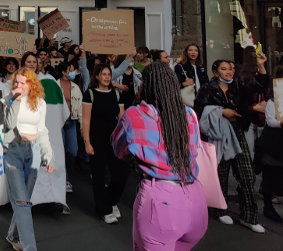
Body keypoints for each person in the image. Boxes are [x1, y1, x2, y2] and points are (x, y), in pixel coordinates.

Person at [112, 62, 207, 250]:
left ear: (144, 86)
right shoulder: (190, 114)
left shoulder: (134, 115)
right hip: (196, 198)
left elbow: (119, 149)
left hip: (160, 202)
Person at [194, 60, 264, 232]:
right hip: (217, 134)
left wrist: (261, 66)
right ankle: (221, 209)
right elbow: (199, 110)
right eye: (224, 69)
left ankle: (249, 217)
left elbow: (260, 85)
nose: (229, 72)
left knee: (247, 173)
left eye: (231, 69)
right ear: (215, 72)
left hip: (238, 131)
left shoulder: (239, 85)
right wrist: (220, 112)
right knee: (221, 173)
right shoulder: (207, 89)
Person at [2, 68, 55, 251]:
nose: (18, 86)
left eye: (22, 83)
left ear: (31, 84)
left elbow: (42, 131)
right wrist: (14, 101)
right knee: (22, 201)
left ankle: (13, 235)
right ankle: (30, 247)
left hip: (34, 152)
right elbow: (9, 124)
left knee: (24, 198)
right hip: (13, 150)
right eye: (16, 82)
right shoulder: (8, 99)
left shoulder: (40, 103)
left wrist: (49, 155)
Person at [82, 63, 129, 223]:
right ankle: (104, 209)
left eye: (109, 74)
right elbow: (86, 120)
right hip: (96, 140)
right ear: (97, 76)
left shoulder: (116, 94)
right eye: (103, 74)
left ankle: (112, 200)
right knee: (99, 175)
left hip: (115, 141)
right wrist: (87, 142)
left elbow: (122, 120)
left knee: (121, 174)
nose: (107, 77)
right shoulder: (90, 94)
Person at [257, 66, 283, 222]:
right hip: (273, 143)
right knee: (271, 175)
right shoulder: (273, 100)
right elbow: (270, 121)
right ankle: (268, 207)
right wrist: (281, 123)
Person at [56, 62, 82, 193]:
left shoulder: (75, 87)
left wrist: (82, 125)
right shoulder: (55, 85)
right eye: (70, 69)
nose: (73, 72)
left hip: (71, 121)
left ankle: (63, 168)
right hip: (58, 121)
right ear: (63, 72)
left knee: (73, 150)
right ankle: (64, 179)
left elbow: (80, 107)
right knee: (60, 150)